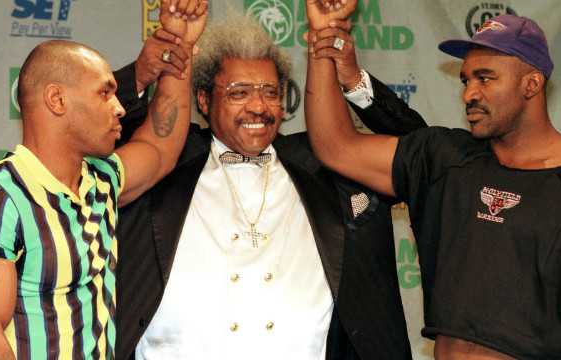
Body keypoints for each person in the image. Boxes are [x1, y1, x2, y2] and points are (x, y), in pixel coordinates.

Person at [112, 6, 427, 360]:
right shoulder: (162, 163)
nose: (258, 106)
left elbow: (429, 159)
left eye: (271, 92)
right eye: (238, 92)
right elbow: (84, 140)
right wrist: (140, 76)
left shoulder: (329, 167)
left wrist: (353, 80)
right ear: (203, 99)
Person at [305, 2, 561, 359]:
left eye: (485, 77)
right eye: (466, 80)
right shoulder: (445, 158)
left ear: (531, 84)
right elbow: (335, 146)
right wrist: (324, 35)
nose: (469, 93)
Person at [0, 2, 207, 359]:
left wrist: (179, 46)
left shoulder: (101, 181)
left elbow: (160, 146)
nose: (120, 107)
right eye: (104, 93)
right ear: (56, 99)